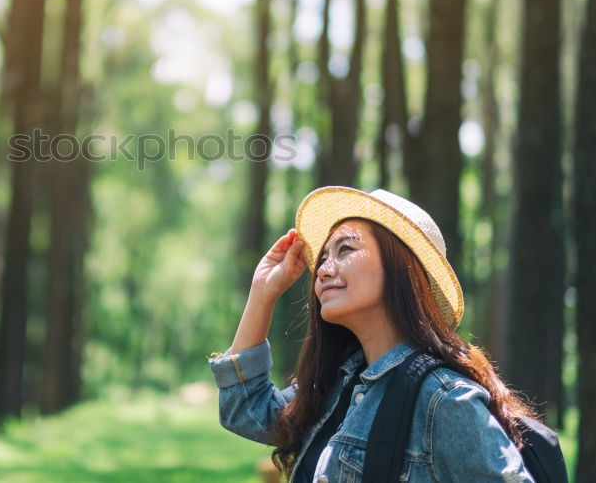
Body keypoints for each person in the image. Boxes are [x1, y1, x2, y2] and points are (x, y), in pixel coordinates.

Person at [207, 186, 540, 482]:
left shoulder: (444, 400)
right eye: (323, 257)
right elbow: (245, 409)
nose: (323, 268)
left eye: (345, 250)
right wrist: (262, 292)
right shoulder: (338, 387)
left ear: (400, 266)